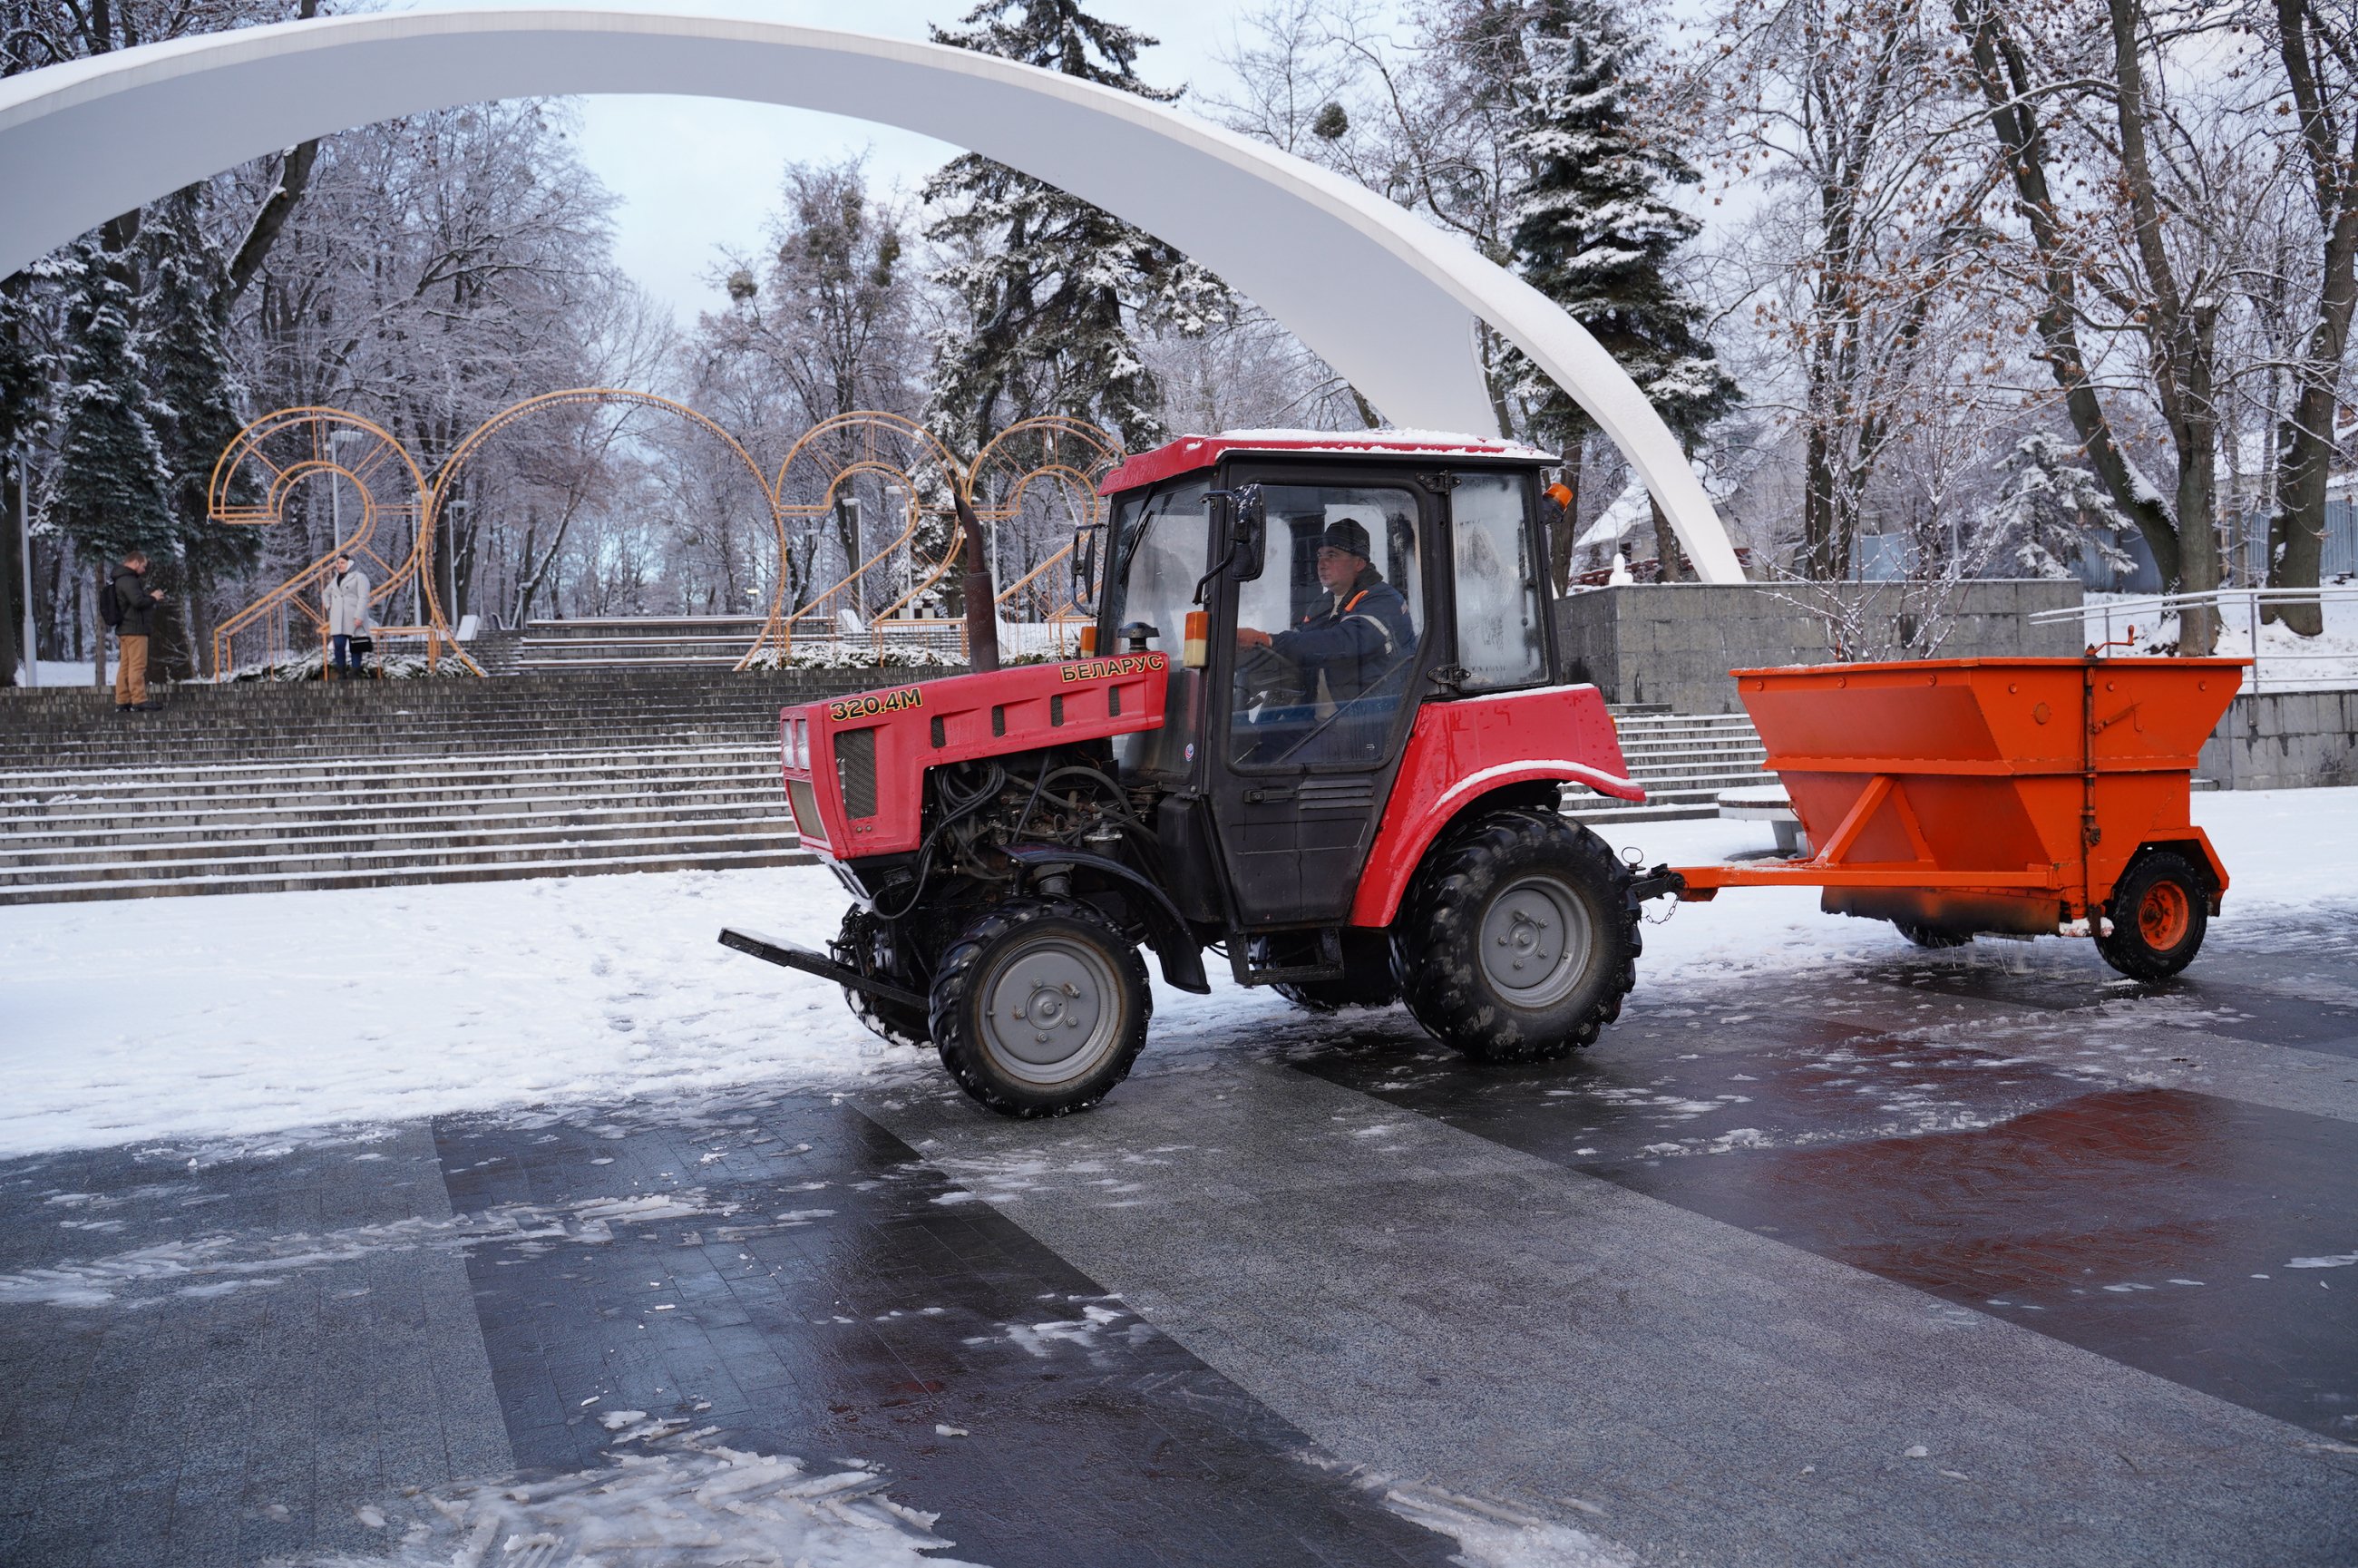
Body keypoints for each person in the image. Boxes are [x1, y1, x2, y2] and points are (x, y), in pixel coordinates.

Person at [1235, 516, 1416, 759]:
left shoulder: (1383, 601)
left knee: (1287, 767)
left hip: (1365, 723)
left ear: (1359, 562)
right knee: (1257, 751)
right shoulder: (1324, 604)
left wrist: (1268, 640)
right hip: (1318, 719)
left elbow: (1340, 643)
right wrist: (1257, 651)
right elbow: (1303, 642)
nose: (1321, 563)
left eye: (1332, 555)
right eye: (1320, 555)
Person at [110, 550, 166, 712]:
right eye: (143, 566)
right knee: (137, 666)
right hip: (135, 630)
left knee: (125, 666)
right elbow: (138, 602)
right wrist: (154, 597)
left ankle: (122, 700)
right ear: (135, 563)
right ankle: (139, 699)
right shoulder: (129, 580)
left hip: (124, 630)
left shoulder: (119, 579)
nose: (144, 570)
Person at [323, 556, 371, 680]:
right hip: (337, 618)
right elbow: (325, 593)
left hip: (354, 616)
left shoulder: (359, 577)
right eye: (338, 563)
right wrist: (329, 606)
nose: (339, 565)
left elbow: (363, 597)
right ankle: (342, 672)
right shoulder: (334, 580)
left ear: (350, 563)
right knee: (338, 645)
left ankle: (355, 673)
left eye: (342, 563)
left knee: (355, 645)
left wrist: (359, 616)